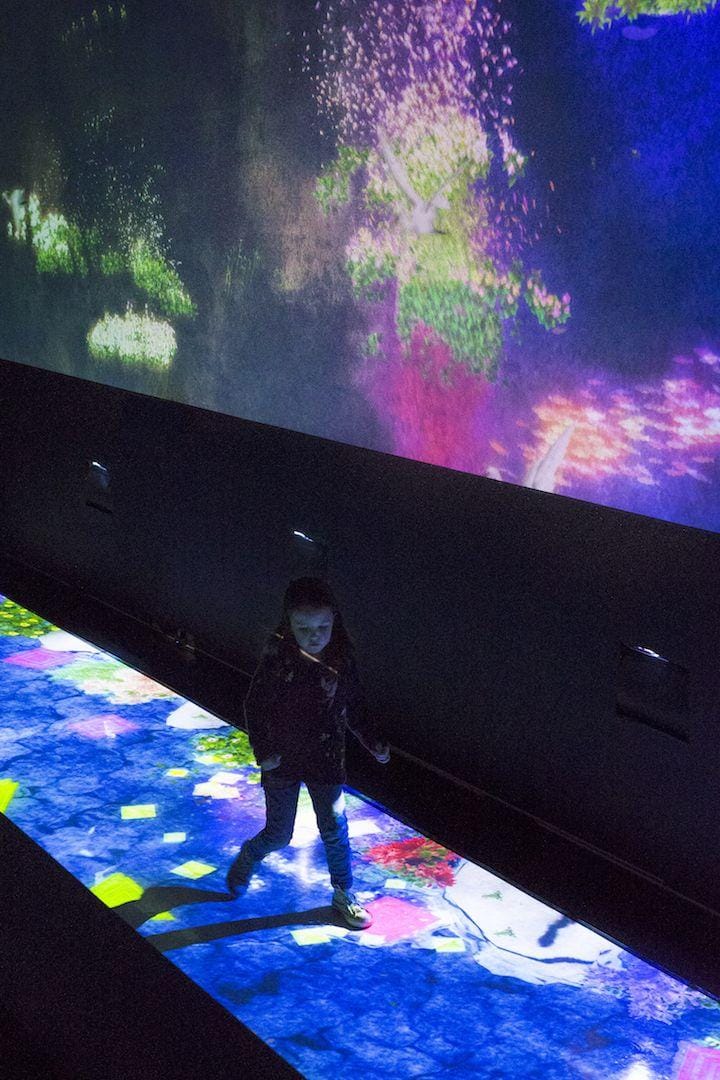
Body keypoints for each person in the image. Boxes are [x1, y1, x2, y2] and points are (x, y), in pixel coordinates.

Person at [226, 577, 390, 929]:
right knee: (279, 834)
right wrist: (264, 750)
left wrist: (372, 741)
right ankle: (250, 854)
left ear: (334, 622)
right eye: (304, 628)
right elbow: (255, 704)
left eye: (322, 627)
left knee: (334, 828)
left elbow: (354, 705)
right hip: (282, 759)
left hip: (325, 758)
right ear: (289, 625)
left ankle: (343, 893)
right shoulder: (278, 659)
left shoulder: (342, 660)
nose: (314, 636)